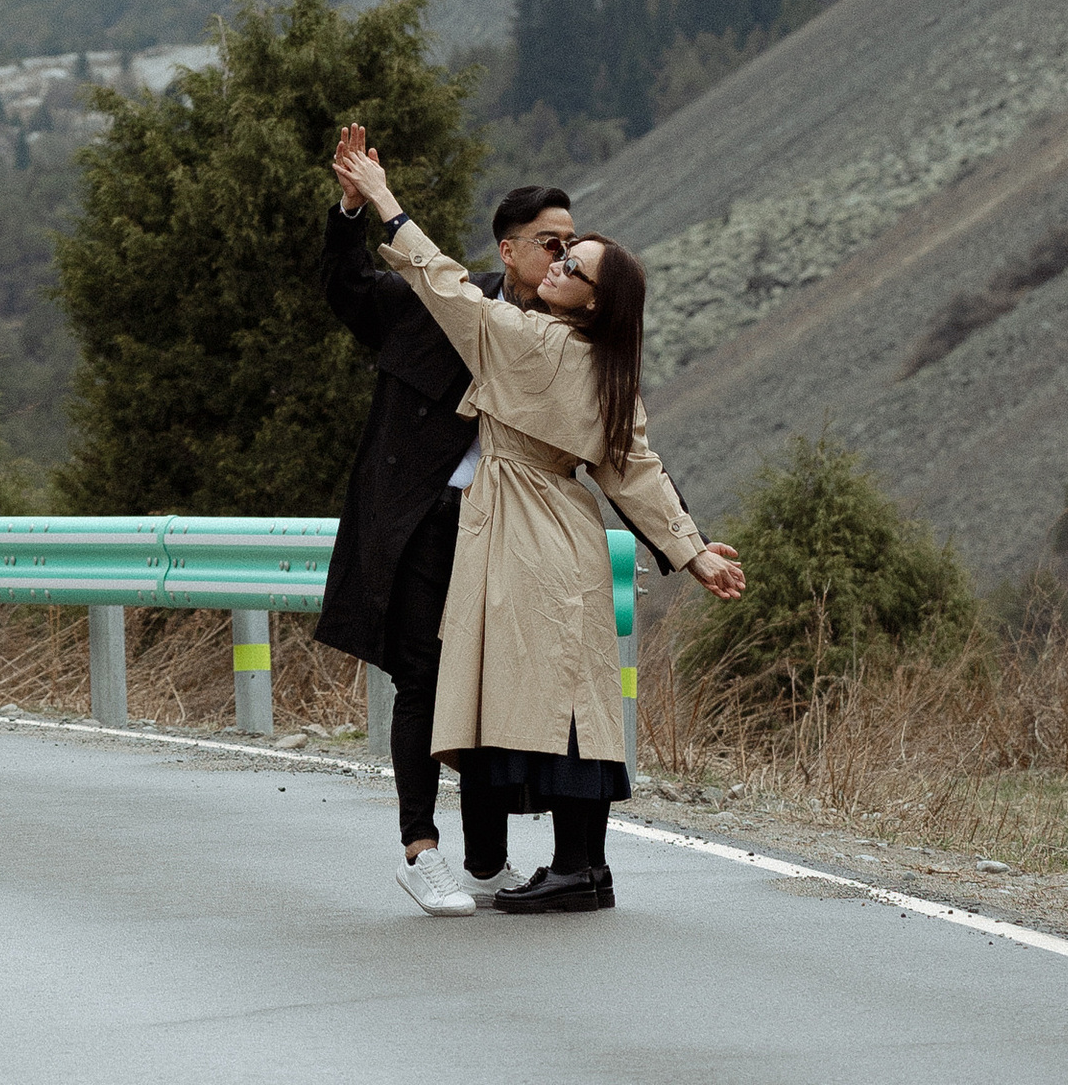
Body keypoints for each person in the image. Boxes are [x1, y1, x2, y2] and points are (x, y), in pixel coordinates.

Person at [331, 119, 746, 914]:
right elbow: (637, 471)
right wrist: (692, 554)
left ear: (593, 300)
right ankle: (568, 865)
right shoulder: (606, 369)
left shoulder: (529, 344)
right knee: (569, 697)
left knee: (547, 702)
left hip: (522, 531)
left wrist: (382, 199)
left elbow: (443, 281)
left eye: (574, 265)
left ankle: (570, 869)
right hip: (567, 530)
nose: (558, 264)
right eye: (558, 253)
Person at [314, 173, 583, 913]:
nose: (562, 255)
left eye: (571, 244)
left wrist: (690, 542)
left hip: (504, 531)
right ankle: (420, 850)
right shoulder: (438, 303)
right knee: (423, 681)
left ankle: (487, 862)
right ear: (509, 249)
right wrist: (351, 210)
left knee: (489, 689)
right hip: (423, 520)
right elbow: (347, 287)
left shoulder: (561, 342)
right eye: (549, 243)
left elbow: (620, 443)